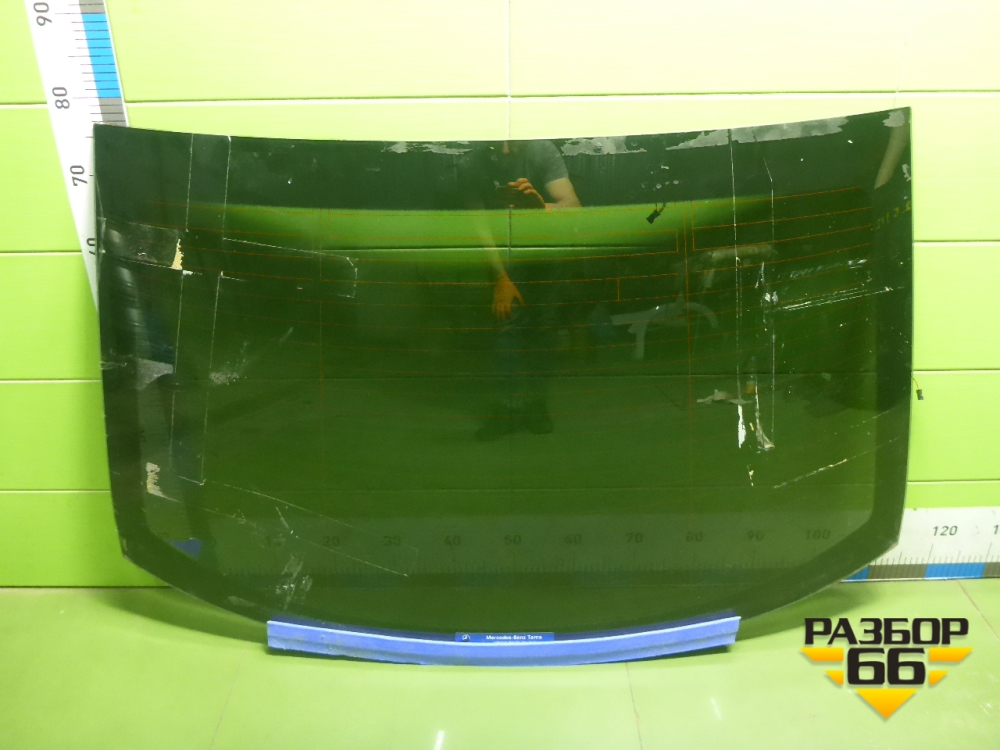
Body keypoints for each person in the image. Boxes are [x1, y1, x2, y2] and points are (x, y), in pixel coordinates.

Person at [458, 140, 582, 441]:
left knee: (544, 326)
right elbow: (479, 226)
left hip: (548, 251)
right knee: (507, 324)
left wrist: (542, 208)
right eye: (495, 141)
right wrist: (501, 277)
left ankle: (536, 405)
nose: (504, 149)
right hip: (508, 252)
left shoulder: (541, 150)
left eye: (510, 141)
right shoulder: (472, 163)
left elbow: (574, 207)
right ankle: (507, 409)